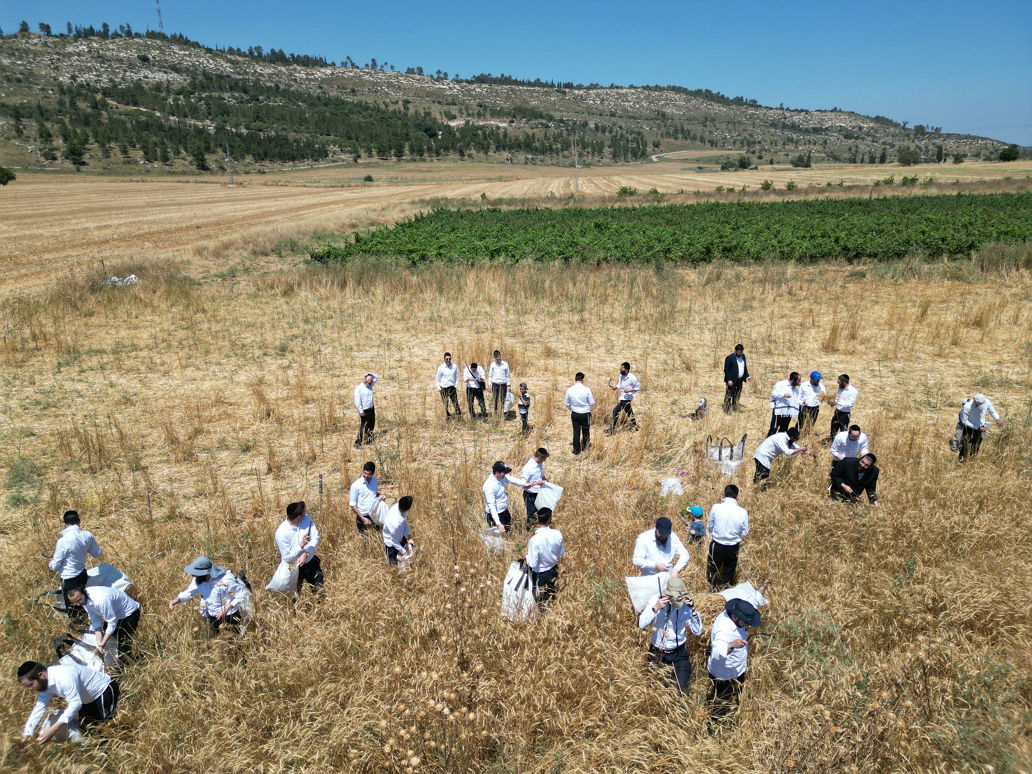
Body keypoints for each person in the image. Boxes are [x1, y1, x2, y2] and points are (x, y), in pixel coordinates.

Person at [17, 661, 118, 746]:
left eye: (30, 685)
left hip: (103, 691)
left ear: (41, 675)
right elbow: (39, 708)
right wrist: (26, 735)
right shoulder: (44, 684)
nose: (29, 690)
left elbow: (75, 704)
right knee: (89, 732)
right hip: (85, 700)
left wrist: (53, 729)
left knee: (105, 730)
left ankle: (113, 756)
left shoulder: (63, 677)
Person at [639, 576, 702, 695]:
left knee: (680, 691)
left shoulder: (686, 605)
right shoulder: (656, 600)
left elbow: (697, 631)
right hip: (658, 653)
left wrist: (693, 610)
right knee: (656, 692)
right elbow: (641, 624)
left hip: (679, 654)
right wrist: (655, 608)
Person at [707, 597, 762, 728]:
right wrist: (731, 645)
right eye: (746, 622)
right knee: (721, 705)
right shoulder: (723, 630)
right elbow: (717, 654)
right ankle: (715, 730)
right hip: (724, 674)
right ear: (735, 617)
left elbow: (753, 600)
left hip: (738, 669)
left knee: (736, 698)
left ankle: (732, 721)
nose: (747, 625)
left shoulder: (736, 615)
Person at [168, 556, 252, 635]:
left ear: (206, 573)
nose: (193, 575)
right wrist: (177, 600)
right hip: (212, 616)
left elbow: (241, 594)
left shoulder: (226, 579)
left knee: (233, 642)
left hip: (230, 616)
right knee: (219, 639)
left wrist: (226, 608)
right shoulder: (198, 579)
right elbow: (189, 592)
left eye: (196, 573)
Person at [66, 585, 141, 662]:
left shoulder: (101, 600)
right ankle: (113, 662)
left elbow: (112, 623)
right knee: (109, 639)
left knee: (123, 643)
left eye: (79, 600)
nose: (78, 604)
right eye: (74, 603)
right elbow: (95, 620)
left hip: (129, 613)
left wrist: (103, 643)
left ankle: (128, 663)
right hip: (114, 614)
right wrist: (100, 642)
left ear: (83, 592)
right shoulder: (84, 600)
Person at [48, 510, 102, 615]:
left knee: (74, 608)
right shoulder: (87, 535)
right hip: (82, 574)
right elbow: (97, 554)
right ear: (79, 521)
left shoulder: (63, 541)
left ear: (64, 524)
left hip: (69, 580)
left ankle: (79, 623)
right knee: (84, 600)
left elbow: (55, 565)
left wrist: (50, 563)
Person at [276, 502, 324, 594]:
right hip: (293, 566)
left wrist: (306, 552)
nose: (305, 513)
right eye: (303, 512)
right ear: (299, 517)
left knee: (319, 590)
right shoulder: (281, 533)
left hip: (310, 561)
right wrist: (300, 546)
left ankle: (320, 606)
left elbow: (316, 537)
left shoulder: (306, 519)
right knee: (294, 595)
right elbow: (287, 557)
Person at [707, 485, 749, 590]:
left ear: (724, 494)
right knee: (728, 572)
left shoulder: (716, 507)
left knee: (712, 569)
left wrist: (716, 534)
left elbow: (710, 526)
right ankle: (725, 592)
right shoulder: (743, 512)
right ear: (737, 496)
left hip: (717, 544)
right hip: (733, 546)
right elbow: (745, 532)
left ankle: (712, 590)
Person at [483, 461, 541, 535]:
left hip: (504, 511)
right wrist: (498, 523)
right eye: (504, 472)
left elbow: (513, 480)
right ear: (497, 472)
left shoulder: (501, 477)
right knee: (499, 538)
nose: (506, 474)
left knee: (507, 531)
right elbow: (492, 506)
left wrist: (525, 484)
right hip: (495, 516)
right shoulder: (489, 486)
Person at [525, 508, 564, 608]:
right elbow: (561, 553)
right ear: (550, 519)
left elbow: (533, 563)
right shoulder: (557, 534)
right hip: (554, 570)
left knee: (541, 603)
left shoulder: (534, 540)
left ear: (538, 520)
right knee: (552, 599)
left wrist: (526, 557)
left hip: (540, 575)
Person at [958, 393, 1003, 461]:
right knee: (965, 442)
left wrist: (997, 418)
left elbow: (992, 411)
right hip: (969, 426)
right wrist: (977, 427)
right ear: (975, 402)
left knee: (976, 443)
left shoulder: (987, 402)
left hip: (980, 425)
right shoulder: (967, 406)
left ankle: (972, 459)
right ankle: (961, 458)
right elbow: (964, 421)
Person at [563, 372, 595, 455]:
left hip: (575, 413)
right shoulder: (587, 389)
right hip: (585, 413)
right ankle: (585, 447)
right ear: (582, 380)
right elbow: (591, 402)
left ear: (575, 379)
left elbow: (566, 403)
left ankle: (576, 450)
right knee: (586, 431)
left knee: (576, 432)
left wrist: (572, 409)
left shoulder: (570, 390)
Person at [350, 461, 384, 533]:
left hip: (375, 515)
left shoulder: (374, 481)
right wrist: (363, 518)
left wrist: (379, 495)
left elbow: (373, 492)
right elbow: (353, 504)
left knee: (378, 538)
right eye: (364, 473)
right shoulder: (356, 485)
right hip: (363, 517)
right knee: (366, 542)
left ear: (372, 473)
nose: (366, 476)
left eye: (368, 474)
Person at [520, 448, 550, 530]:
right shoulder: (528, 468)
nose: (544, 461)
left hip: (539, 492)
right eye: (544, 459)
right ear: (539, 458)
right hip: (530, 495)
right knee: (532, 516)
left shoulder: (539, 463)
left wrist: (546, 480)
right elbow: (522, 484)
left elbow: (540, 474)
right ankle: (530, 532)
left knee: (543, 513)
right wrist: (535, 483)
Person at [383, 495, 414, 566]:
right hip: (391, 544)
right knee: (393, 565)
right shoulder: (396, 524)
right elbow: (394, 542)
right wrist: (404, 552)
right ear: (408, 508)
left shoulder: (399, 507)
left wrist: (409, 537)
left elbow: (404, 522)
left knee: (403, 563)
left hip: (398, 536)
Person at [768, 372, 802, 437]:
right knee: (773, 429)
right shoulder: (781, 384)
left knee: (784, 430)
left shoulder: (795, 389)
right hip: (779, 411)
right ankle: (768, 444)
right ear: (793, 380)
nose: (799, 383)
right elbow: (773, 394)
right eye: (798, 381)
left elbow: (797, 399)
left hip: (788, 412)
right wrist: (783, 394)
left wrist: (802, 403)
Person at [610, 361, 640, 431]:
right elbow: (619, 384)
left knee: (615, 411)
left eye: (621, 369)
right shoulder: (621, 376)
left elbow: (637, 388)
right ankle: (635, 426)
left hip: (627, 398)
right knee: (629, 413)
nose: (620, 370)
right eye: (620, 368)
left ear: (626, 369)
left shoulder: (632, 378)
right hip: (622, 397)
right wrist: (616, 387)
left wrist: (629, 390)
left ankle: (612, 428)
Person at [722, 344, 750, 414]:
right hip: (731, 380)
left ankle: (734, 407)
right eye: (739, 351)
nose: (740, 352)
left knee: (737, 394)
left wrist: (747, 376)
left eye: (741, 351)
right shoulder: (730, 358)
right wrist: (729, 380)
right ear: (736, 350)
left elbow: (744, 367)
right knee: (729, 395)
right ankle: (727, 409)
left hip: (739, 380)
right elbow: (726, 370)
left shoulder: (743, 357)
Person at [353, 372, 379, 447]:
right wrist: (360, 411)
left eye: (371, 380)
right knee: (363, 426)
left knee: (371, 424)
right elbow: (357, 401)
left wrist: (370, 374)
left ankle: (369, 440)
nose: (370, 381)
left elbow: (376, 377)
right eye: (368, 380)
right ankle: (358, 442)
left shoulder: (370, 386)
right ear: (364, 379)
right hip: (364, 410)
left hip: (371, 408)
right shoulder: (359, 388)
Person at [830, 374, 858, 439]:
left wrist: (837, 403)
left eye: (839, 382)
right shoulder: (840, 388)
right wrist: (833, 402)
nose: (838, 383)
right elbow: (837, 398)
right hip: (837, 412)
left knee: (843, 432)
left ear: (843, 382)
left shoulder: (853, 391)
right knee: (833, 430)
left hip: (844, 415)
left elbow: (850, 404)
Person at [435, 352, 461, 419]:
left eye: (449, 359)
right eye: (447, 359)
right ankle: (448, 416)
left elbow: (457, 377)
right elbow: (437, 379)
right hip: (443, 388)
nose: (448, 360)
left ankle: (459, 417)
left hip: (452, 388)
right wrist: (439, 388)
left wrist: (455, 385)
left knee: (455, 403)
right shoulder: (441, 368)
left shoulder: (454, 366)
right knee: (445, 403)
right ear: (444, 359)